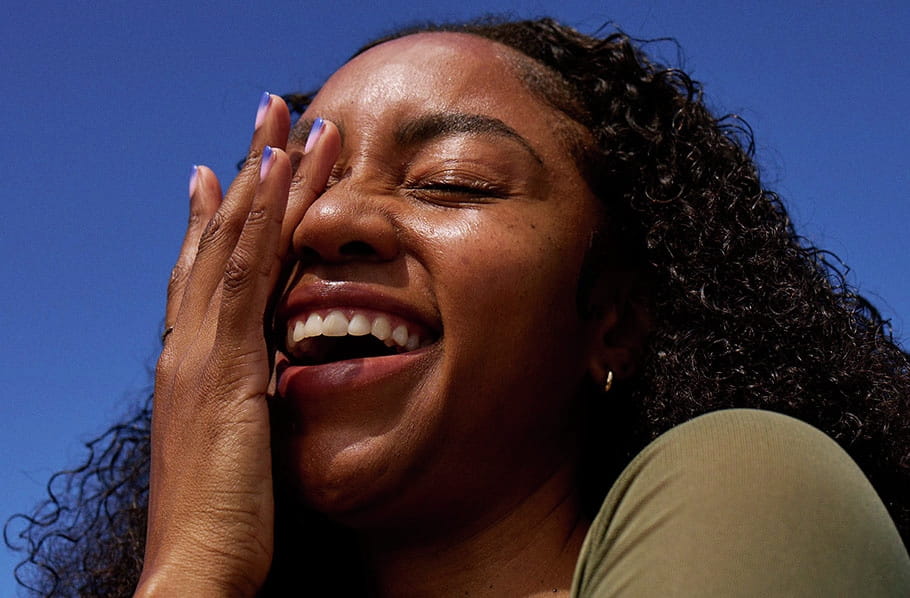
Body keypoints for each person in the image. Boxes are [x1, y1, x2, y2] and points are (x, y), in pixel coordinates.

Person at [7, 17, 910, 597]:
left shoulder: (748, 478)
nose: (327, 222)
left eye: (452, 181)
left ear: (617, 319)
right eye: (298, 195)